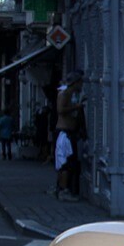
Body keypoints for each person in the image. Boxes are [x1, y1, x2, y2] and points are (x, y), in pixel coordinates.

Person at [52, 71, 84, 201]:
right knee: (65, 162)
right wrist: (76, 107)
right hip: (64, 132)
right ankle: (64, 191)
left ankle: (62, 188)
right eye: (80, 82)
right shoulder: (64, 93)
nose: (82, 84)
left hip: (69, 132)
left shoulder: (73, 94)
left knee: (68, 162)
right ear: (75, 83)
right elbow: (60, 110)